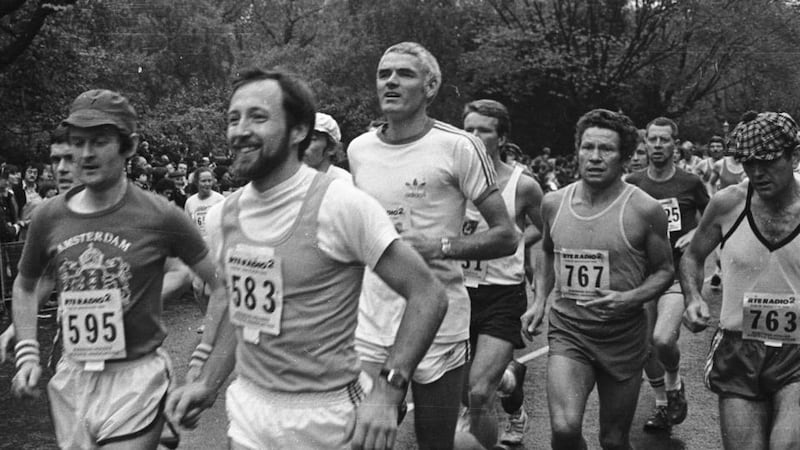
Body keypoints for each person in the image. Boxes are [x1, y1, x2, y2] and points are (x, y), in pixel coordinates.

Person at [164, 68, 449, 450]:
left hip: (327, 417)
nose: (239, 130)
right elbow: (242, 311)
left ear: (299, 130)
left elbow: (428, 294)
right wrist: (208, 383)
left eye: (258, 117)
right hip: (250, 410)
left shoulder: (341, 204)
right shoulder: (222, 217)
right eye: (234, 118)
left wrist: (388, 391)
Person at [10, 89, 226, 449]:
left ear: (130, 145)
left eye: (100, 142)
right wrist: (28, 352)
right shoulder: (49, 216)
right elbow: (26, 285)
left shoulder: (160, 214)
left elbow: (222, 285)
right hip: (73, 377)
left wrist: (203, 357)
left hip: (135, 379)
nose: (85, 154)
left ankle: (156, 424)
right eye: (77, 142)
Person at [348, 42, 518, 450]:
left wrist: (441, 246)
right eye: (383, 73)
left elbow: (506, 235)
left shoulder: (458, 146)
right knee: (363, 437)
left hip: (440, 321)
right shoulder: (358, 149)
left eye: (404, 74)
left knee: (435, 443)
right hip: (373, 319)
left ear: (431, 86)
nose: (390, 81)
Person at [521, 108, 674, 450]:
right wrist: (539, 300)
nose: (594, 157)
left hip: (623, 336)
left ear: (624, 158)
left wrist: (629, 298)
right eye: (587, 147)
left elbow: (665, 271)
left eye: (606, 149)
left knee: (614, 440)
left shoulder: (644, 209)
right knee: (563, 429)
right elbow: (546, 251)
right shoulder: (553, 203)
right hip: (569, 331)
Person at [682, 111, 800, 450]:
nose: (757, 173)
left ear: (793, 156)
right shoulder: (728, 203)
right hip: (739, 346)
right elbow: (692, 256)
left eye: (767, 162)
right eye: (748, 163)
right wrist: (693, 297)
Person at [457, 99, 543, 448]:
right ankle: (510, 383)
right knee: (466, 393)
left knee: (478, 393)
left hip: (502, 294)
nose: (475, 136)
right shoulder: (449, 181)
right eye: (469, 129)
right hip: (458, 294)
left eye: (484, 130)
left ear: (502, 137)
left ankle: (503, 407)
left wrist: (516, 244)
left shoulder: (523, 185)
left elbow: (548, 234)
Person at [625, 117, 709, 431]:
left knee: (662, 339)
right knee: (645, 347)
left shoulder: (689, 183)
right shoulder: (632, 183)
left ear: (675, 144)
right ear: (645, 144)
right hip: (643, 276)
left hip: (676, 275)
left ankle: (674, 385)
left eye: (664, 140)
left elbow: (715, 216)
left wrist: (697, 233)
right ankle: (663, 404)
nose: (658, 146)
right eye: (653, 140)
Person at [183, 166, 225, 314]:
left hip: (215, 248)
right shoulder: (190, 202)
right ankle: (205, 318)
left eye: (209, 180)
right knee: (197, 288)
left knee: (210, 290)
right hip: (197, 250)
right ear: (196, 182)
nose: (207, 184)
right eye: (203, 181)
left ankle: (213, 320)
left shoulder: (220, 200)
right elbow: (187, 226)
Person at [303, 112, 353, 183]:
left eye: (312, 139)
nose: (301, 145)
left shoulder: (344, 183)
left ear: (331, 148)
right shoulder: (290, 183)